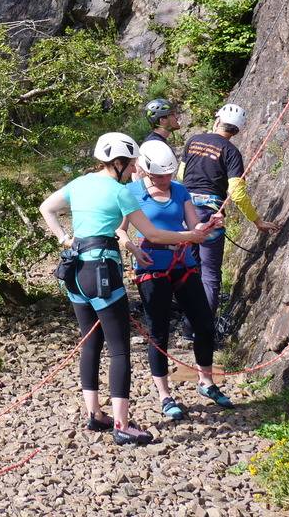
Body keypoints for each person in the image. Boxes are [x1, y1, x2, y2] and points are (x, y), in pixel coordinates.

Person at [39, 132, 222, 446]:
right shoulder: (121, 192)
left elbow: (47, 208)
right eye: (133, 162)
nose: (136, 167)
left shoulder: (80, 183)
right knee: (120, 349)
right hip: (102, 272)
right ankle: (122, 424)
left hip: (74, 271)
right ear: (120, 162)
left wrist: (64, 239)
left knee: (90, 343)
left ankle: (95, 414)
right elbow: (153, 234)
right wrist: (191, 237)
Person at [125, 139, 234, 418]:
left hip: (183, 264)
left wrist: (208, 224)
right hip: (152, 266)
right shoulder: (131, 193)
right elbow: (120, 230)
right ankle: (164, 395)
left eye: (168, 175)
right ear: (146, 171)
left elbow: (192, 225)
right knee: (159, 331)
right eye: (159, 176)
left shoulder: (180, 190)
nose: (164, 180)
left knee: (205, 324)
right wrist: (133, 249)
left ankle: (206, 381)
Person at [179, 103, 281, 317]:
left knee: (189, 269)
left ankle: (189, 326)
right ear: (237, 131)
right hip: (210, 214)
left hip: (185, 210)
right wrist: (257, 221)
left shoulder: (193, 141)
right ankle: (202, 331)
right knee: (209, 275)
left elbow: (181, 175)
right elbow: (237, 192)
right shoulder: (231, 152)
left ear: (217, 121)